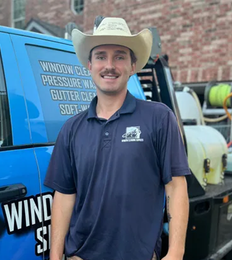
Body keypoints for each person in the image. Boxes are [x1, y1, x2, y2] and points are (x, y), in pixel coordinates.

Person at [44, 17, 190, 260]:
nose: (109, 65)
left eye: (119, 56)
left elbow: (175, 187)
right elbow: (64, 196)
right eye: (101, 56)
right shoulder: (71, 129)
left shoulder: (159, 118)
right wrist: (55, 255)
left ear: (133, 66)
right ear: (89, 65)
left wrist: (175, 252)